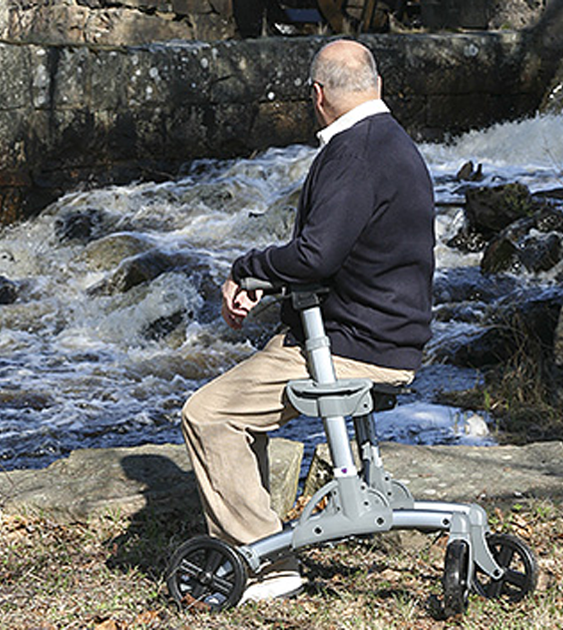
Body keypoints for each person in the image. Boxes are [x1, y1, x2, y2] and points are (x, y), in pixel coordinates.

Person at [180, 38, 435, 603]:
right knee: (242, 405)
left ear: (317, 95)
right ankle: (263, 530)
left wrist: (246, 269)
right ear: (377, 85)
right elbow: (347, 255)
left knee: (210, 413)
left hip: (350, 343)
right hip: (396, 337)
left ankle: (264, 562)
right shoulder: (395, 143)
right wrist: (268, 285)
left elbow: (316, 257)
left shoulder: (353, 153)